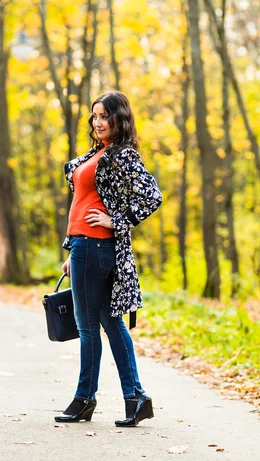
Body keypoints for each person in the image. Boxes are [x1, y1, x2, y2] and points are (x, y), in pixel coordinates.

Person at [55, 91, 163, 426]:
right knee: (111, 323)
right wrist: (71, 247)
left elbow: (152, 196)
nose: (99, 122)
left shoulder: (122, 156)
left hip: (97, 246)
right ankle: (136, 398)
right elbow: (81, 203)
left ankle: (85, 399)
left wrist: (115, 221)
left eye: (105, 116)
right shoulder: (97, 153)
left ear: (119, 118)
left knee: (88, 327)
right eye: (95, 116)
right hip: (84, 247)